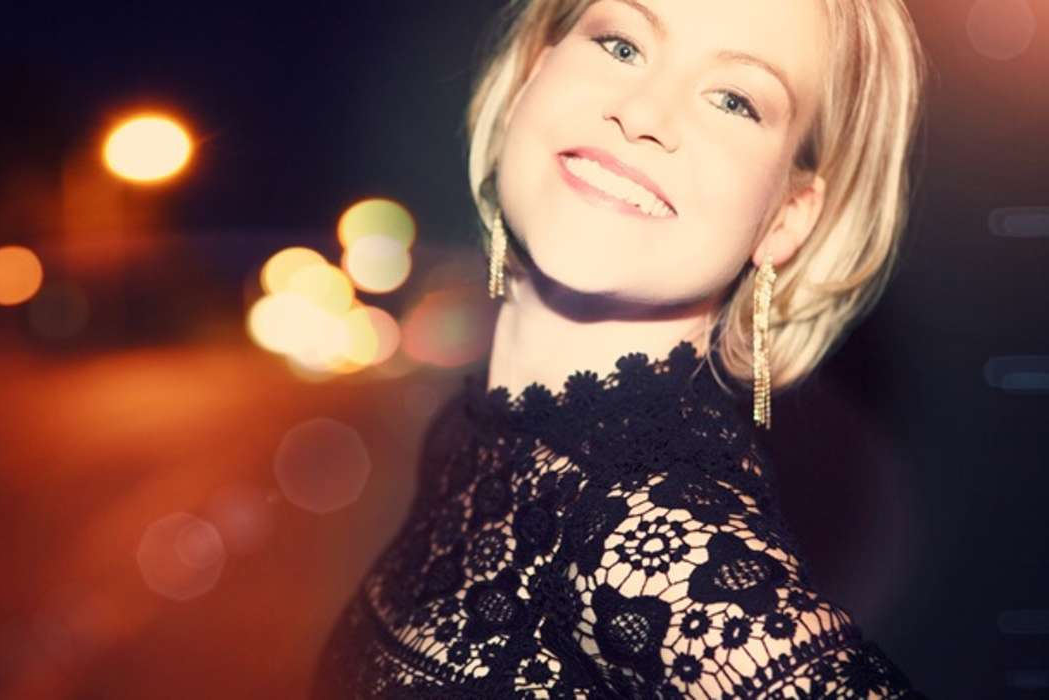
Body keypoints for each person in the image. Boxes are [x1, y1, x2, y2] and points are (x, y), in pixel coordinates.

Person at [314, 0, 930, 697]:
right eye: (622, 45)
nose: (643, 114)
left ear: (787, 218)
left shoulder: (656, 544)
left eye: (733, 100)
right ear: (531, 73)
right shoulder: (477, 437)